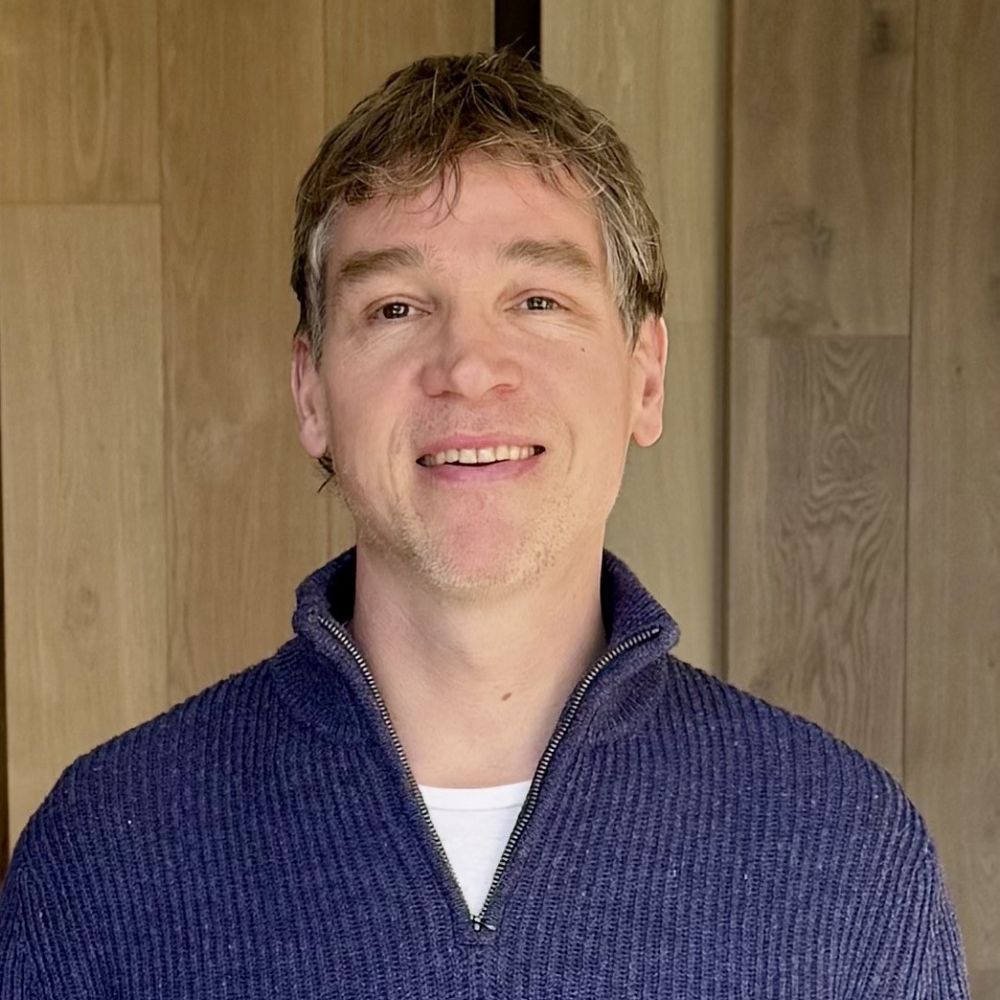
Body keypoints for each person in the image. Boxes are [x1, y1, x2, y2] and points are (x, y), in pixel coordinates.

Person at [0, 51, 969, 998]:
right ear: (311, 392)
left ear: (645, 375)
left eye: (537, 300)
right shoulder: (105, 853)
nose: (467, 366)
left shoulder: (849, 852)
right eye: (396, 308)